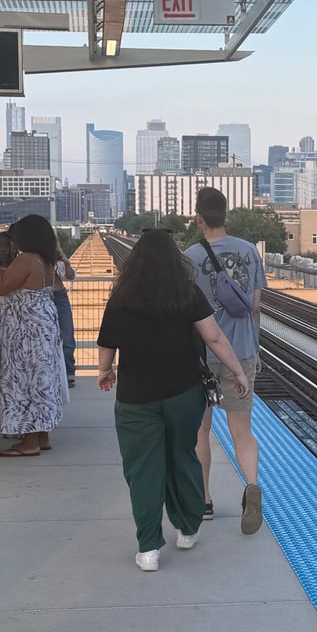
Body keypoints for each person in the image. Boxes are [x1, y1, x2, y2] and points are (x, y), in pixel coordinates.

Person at [96, 228, 249, 572]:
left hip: (136, 399)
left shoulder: (122, 297)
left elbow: (107, 342)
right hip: (184, 393)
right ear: (174, 259)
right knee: (183, 457)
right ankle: (187, 527)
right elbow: (214, 337)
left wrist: (105, 371)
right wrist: (238, 371)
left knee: (143, 470)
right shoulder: (187, 292)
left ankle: (148, 548)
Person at [184, 187, 267, 534]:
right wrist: (255, 348)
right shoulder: (249, 251)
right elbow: (255, 307)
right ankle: (251, 485)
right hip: (242, 353)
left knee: (200, 431)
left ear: (199, 218)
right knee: (242, 431)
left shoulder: (189, 257)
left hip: (201, 356)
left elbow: (185, 312)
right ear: (225, 215)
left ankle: (204, 501)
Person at [0, 214, 65, 457]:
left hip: (24, 332)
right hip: (41, 328)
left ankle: (29, 441)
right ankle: (42, 435)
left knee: (24, 381)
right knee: (41, 380)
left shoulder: (27, 259)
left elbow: (0, 288)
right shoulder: (45, 261)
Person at [52, 242, 77, 388]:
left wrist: (66, 262)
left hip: (59, 296)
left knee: (67, 335)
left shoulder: (58, 260)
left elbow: (70, 276)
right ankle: (55, 373)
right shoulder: (34, 259)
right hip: (43, 296)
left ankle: (69, 373)